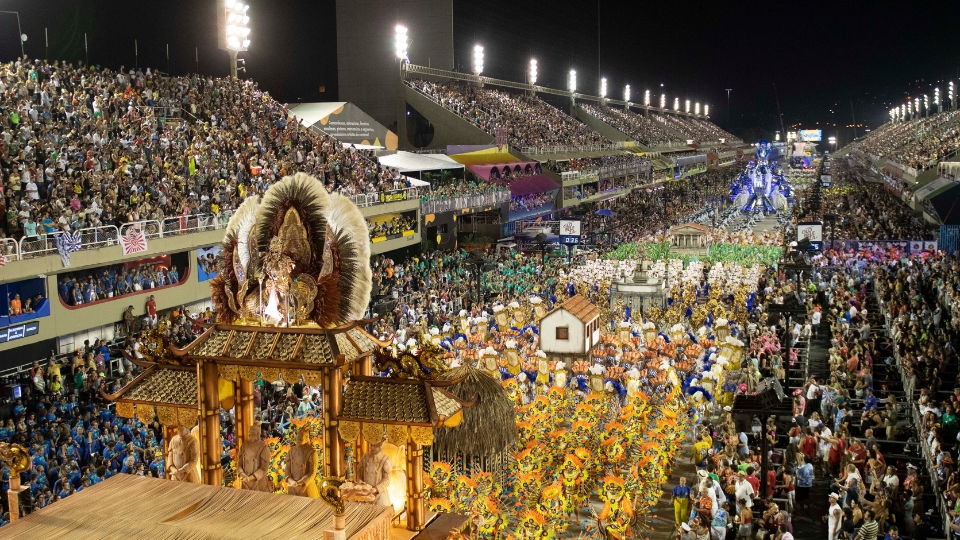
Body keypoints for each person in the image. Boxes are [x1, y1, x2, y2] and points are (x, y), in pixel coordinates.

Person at [359, 436, 393, 508]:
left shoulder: (385, 460)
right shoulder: (364, 458)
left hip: (379, 495)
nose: (372, 448)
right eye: (371, 445)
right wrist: (361, 484)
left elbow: (386, 479)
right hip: (365, 494)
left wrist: (376, 489)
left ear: (380, 446)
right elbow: (359, 474)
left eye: (375, 446)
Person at [285, 425, 319, 497]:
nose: (298, 440)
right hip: (292, 488)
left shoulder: (312, 452)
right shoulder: (291, 451)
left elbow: (312, 472)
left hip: (306, 488)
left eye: (300, 439)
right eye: (297, 438)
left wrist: (300, 482)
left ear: (306, 438)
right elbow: (287, 469)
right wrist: (291, 480)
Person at [237, 423, 271, 492]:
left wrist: (250, 478)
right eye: (250, 433)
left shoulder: (263, 447)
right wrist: (243, 475)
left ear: (258, 435)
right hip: (245, 482)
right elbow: (239, 464)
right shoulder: (244, 446)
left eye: (253, 434)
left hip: (259, 483)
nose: (250, 435)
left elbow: (264, 468)